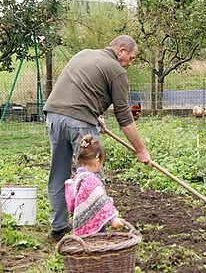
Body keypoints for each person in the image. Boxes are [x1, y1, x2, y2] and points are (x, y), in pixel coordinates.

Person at [44, 35, 150, 241]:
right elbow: (124, 115)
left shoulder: (84, 54)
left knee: (59, 172)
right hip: (79, 123)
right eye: (131, 57)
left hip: (54, 116)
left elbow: (80, 89)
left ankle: (58, 228)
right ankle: (95, 232)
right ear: (121, 50)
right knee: (93, 176)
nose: (130, 63)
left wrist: (95, 116)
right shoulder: (116, 71)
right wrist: (140, 150)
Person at [65, 134, 125, 236]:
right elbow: (101, 203)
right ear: (97, 161)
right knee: (97, 245)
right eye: (102, 163)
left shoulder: (77, 178)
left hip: (82, 224)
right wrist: (113, 219)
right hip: (95, 228)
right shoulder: (91, 181)